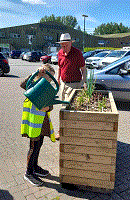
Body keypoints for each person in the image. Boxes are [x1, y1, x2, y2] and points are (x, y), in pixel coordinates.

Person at [20, 63, 56, 186]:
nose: (51, 80)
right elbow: (22, 84)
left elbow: (50, 105)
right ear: (42, 75)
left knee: (39, 144)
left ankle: (34, 167)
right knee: (33, 147)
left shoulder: (47, 88)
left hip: (42, 123)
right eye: (49, 77)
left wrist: (47, 108)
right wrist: (35, 73)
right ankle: (28, 173)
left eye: (52, 79)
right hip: (33, 123)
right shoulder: (33, 85)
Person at [55, 33, 87, 140]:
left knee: (70, 109)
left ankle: (69, 132)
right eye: (62, 45)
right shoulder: (60, 53)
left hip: (74, 85)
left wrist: (84, 82)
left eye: (66, 45)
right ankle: (62, 131)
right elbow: (60, 67)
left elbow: (83, 69)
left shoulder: (77, 53)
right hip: (63, 84)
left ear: (70, 43)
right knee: (63, 108)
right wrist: (58, 79)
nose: (64, 48)